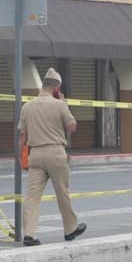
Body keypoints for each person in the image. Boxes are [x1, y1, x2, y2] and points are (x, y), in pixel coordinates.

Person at [19, 67, 86, 246]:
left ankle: (29, 234)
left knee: (32, 196)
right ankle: (70, 229)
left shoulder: (27, 106)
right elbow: (72, 126)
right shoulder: (59, 104)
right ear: (56, 88)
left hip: (36, 154)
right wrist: (64, 105)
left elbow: (22, 135)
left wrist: (21, 156)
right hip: (56, 153)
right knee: (62, 192)